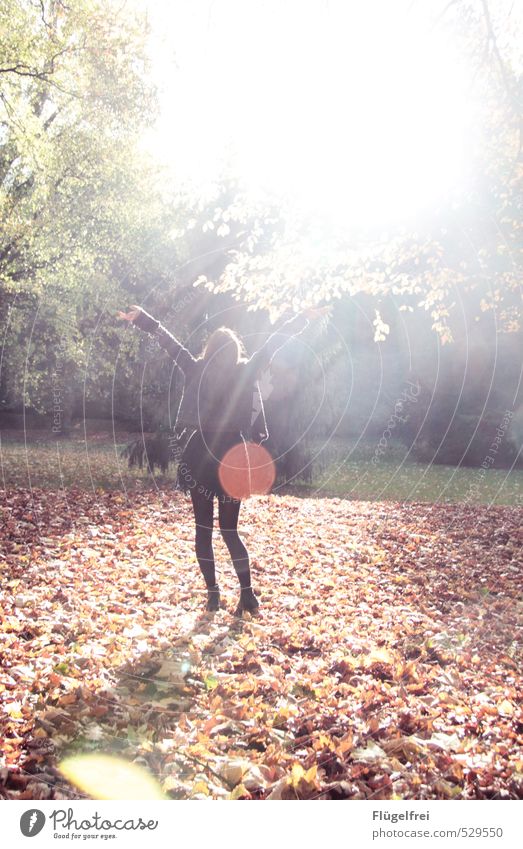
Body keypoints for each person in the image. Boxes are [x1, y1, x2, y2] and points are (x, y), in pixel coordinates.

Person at [117, 303, 328, 616]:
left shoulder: (195, 367)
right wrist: (302, 320)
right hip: (233, 457)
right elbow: (273, 341)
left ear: (210, 348)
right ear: (234, 351)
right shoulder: (246, 371)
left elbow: (170, 343)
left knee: (203, 530)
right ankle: (247, 595)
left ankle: (213, 595)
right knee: (229, 531)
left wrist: (143, 320)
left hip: (199, 455)